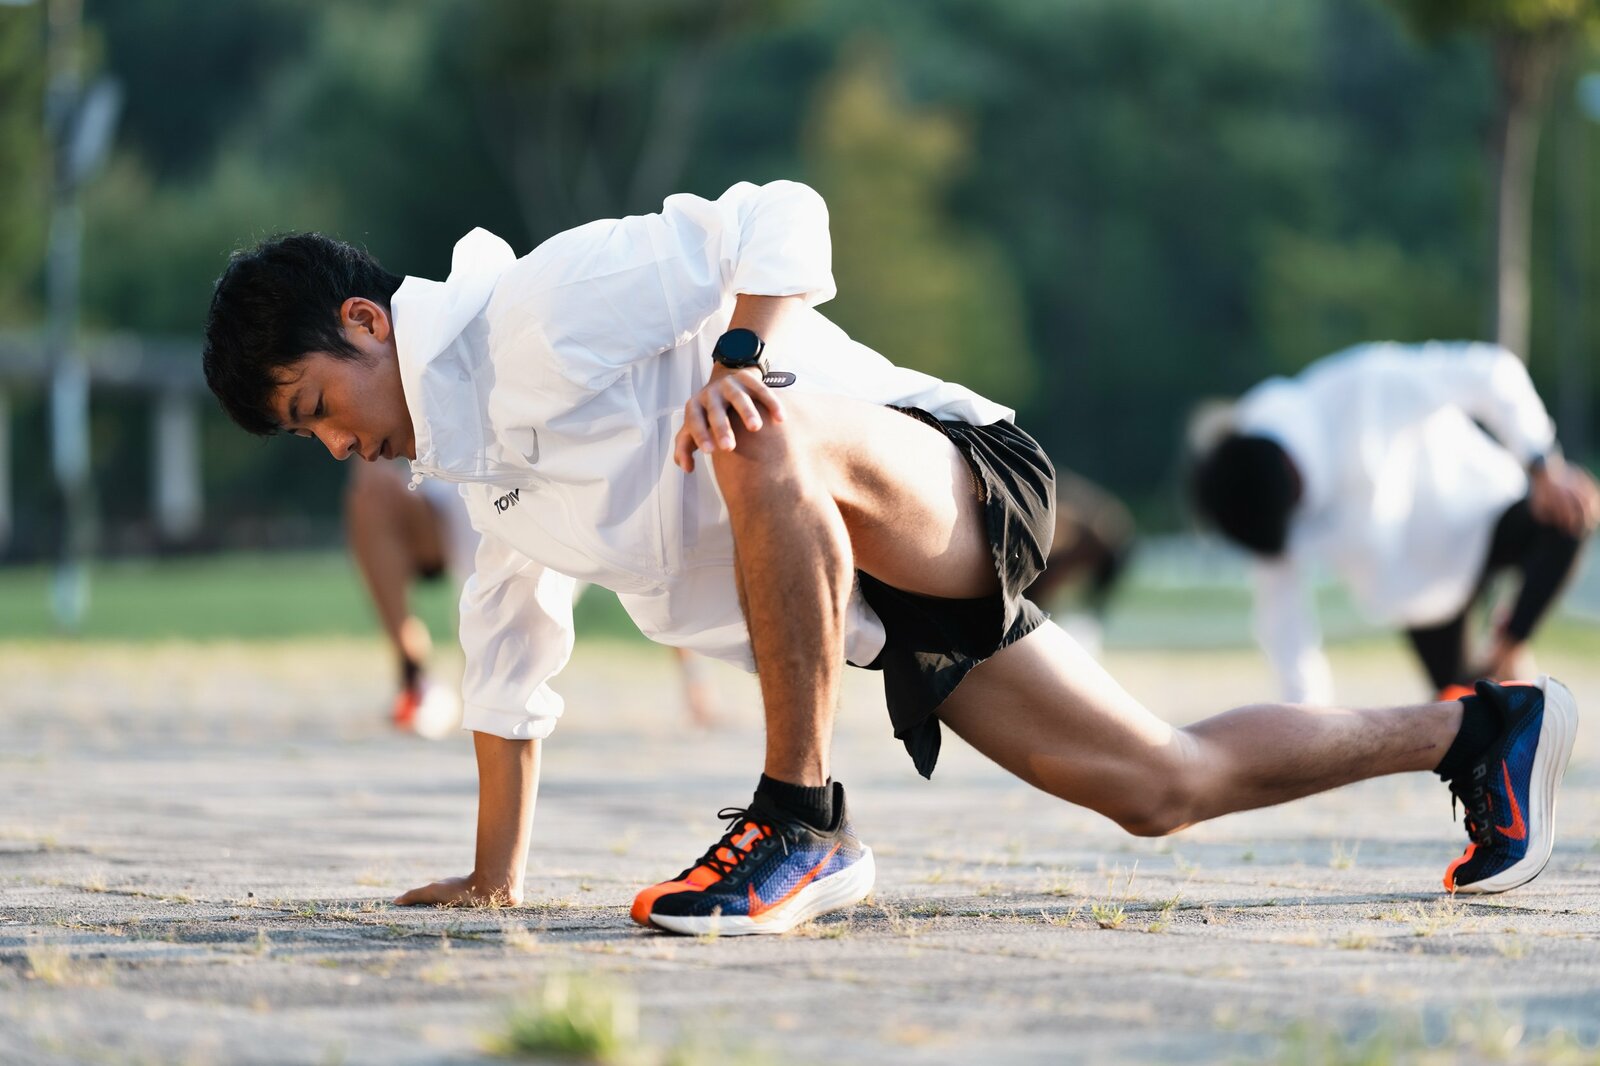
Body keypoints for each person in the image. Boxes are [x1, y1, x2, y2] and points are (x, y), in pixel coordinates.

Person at [202, 183, 1579, 935]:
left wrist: (737, 350)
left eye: (316, 409)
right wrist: (495, 873)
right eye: (305, 440)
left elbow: (777, 216)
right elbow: (511, 673)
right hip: (877, 598)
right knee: (1162, 784)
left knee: (749, 420)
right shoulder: (489, 483)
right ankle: (1478, 732)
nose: (338, 449)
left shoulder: (534, 311)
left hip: (942, 475)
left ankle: (799, 821)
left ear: (367, 324)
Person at [1189, 341, 1599, 705]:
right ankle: (1508, 689)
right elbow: (1282, 615)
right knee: (1469, 717)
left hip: (1483, 513)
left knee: (1570, 514)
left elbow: (1491, 371)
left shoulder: (1365, 385)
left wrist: (1542, 464)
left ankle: (1510, 644)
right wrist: (1304, 717)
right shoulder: (1254, 497)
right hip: (1421, 596)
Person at [346, 460, 722, 734]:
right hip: (451, 500)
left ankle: (696, 678)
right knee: (372, 484)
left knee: (644, 491)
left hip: (541, 495)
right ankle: (413, 678)